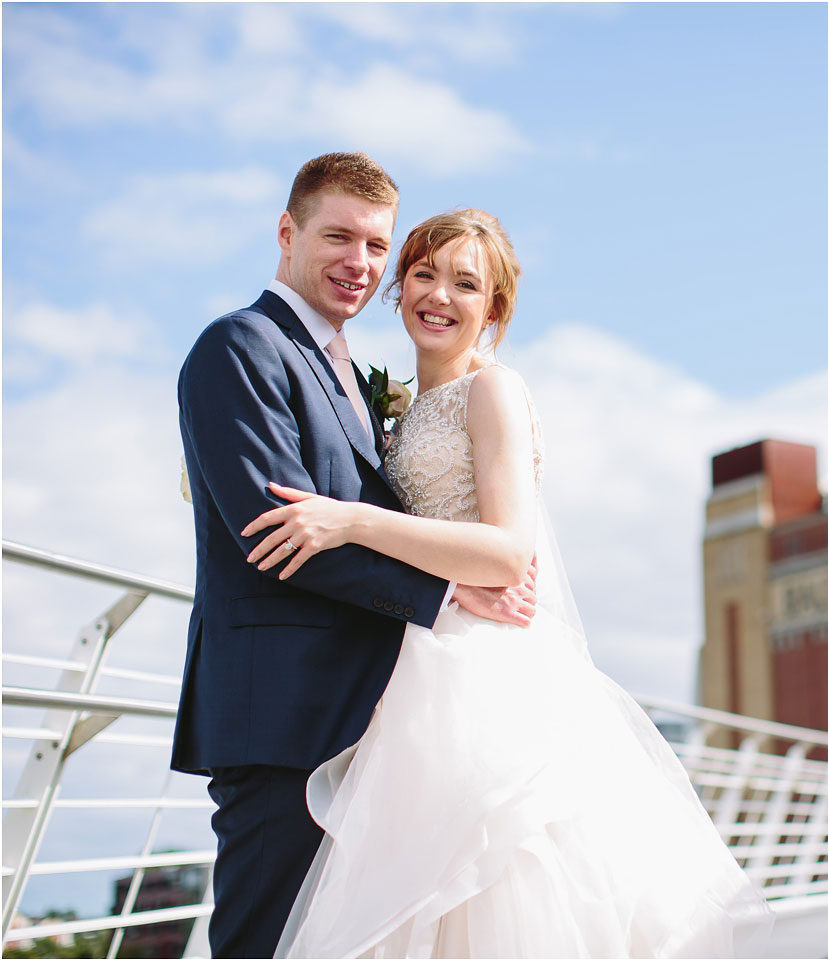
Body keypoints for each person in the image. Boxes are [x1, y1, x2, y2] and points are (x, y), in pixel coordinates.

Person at [241, 209, 771, 957]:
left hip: (484, 678)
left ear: (493, 310)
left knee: (501, 887)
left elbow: (506, 551)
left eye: (466, 283)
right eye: (425, 273)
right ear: (399, 288)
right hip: (415, 667)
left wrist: (352, 521)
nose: (440, 295)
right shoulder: (398, 407)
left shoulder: (492, 391)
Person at [174, 153, 537, 959]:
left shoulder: (346, 375)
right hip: (284, 716)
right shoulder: (241, 346)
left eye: (376, 247)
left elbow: (356, 518)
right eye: (338, 236)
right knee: (265, 942)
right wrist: (448, 593)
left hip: (368, 722)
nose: (359, 264)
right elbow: (283, 532)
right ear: (286, 232)